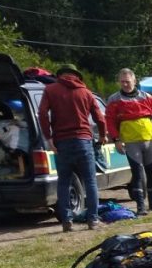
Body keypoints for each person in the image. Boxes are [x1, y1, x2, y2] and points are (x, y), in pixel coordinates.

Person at [37, 63, 106, 232]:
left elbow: (42, 114)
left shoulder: (50, 90)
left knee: (64, 182)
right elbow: (100, 118)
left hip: (61, 142)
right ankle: (93, 220)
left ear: (60, 75)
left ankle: (67, 220)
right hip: (83, 140)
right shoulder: (86, 92)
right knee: (90, 181)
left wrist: (49, 137)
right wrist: (103, 135)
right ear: (76, 75)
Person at [105, 69, 152, 215]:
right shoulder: (114, 99)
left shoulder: (147, 97)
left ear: (134, 81)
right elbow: (110, 121)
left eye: (128, 81)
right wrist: (116, 139)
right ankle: (140, 206)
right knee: (137, 173)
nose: (125, 84)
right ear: (119, 82)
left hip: (149, 139)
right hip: (130, 142)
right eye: (122, 82)